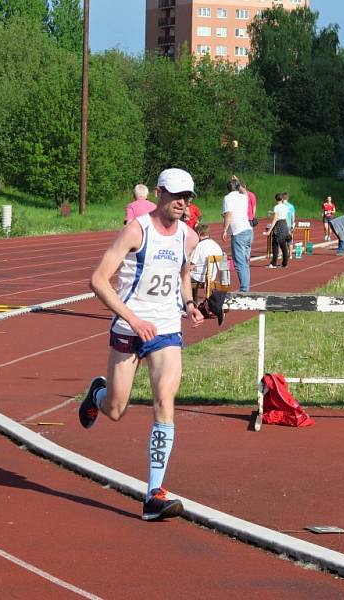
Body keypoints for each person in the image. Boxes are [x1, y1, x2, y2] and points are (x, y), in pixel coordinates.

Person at [79, 167, 204, 522]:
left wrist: (190, 304)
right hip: (130, 326)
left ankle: (154, 493)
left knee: (164, 399)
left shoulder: (189, 238)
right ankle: (97, 395)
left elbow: (182, 277)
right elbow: (98, 280)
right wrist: (133, 319)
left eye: (188, 197)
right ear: (160, 193)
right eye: (177, 196)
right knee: (116, 410)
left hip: (166, 328)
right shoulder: (136, 230)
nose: (183, 203)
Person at [221, 175, 253, 291]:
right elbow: (245, 191)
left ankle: (244, 290)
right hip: (248, 230)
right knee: (245, 262)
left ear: (228, 188)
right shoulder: (244, 197)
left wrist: (224, 230)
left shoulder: (228, 198)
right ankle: (245, 287)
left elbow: (228, 214)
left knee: (240, 263)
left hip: (238, 232)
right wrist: (238, 181)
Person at [189, 222, 223, 303]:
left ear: (198, 233)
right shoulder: (217, 246)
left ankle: (188, 304)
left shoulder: (199, 246)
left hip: (199, 278)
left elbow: (192, 266)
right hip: (211, 277)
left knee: (182, 277)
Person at [265, 193, 290, 268]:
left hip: (278, 225)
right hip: (284, 225)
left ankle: (273, 263)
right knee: (283, 245)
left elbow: (275, 218)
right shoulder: (286, 207)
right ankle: (285, 263)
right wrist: (288, 228)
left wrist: (270, 230)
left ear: (276, 199)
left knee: (275, 245)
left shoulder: (276, 207)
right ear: (282, 199)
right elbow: (286, 218)